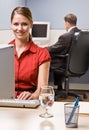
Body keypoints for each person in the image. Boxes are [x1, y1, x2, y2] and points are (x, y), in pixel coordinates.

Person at [9, 6, 51, 100]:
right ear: (11, 25)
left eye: (24, 24)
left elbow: (42, 89)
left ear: (31, 24)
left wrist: (32, 96)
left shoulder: (42, 54)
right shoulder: (3, 52)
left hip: (30, 101)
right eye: (16, 24)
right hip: (6, 100)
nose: (19, 28)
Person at [46, 13, 80, 91]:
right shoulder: (82, 34)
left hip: (64, 64)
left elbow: (55, 48)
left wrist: (42, 49)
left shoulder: (66, 36)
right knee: (57, 58)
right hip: (78, 65)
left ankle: (44, 88)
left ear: (67, 23)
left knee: (47, 61)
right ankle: (59, 87)